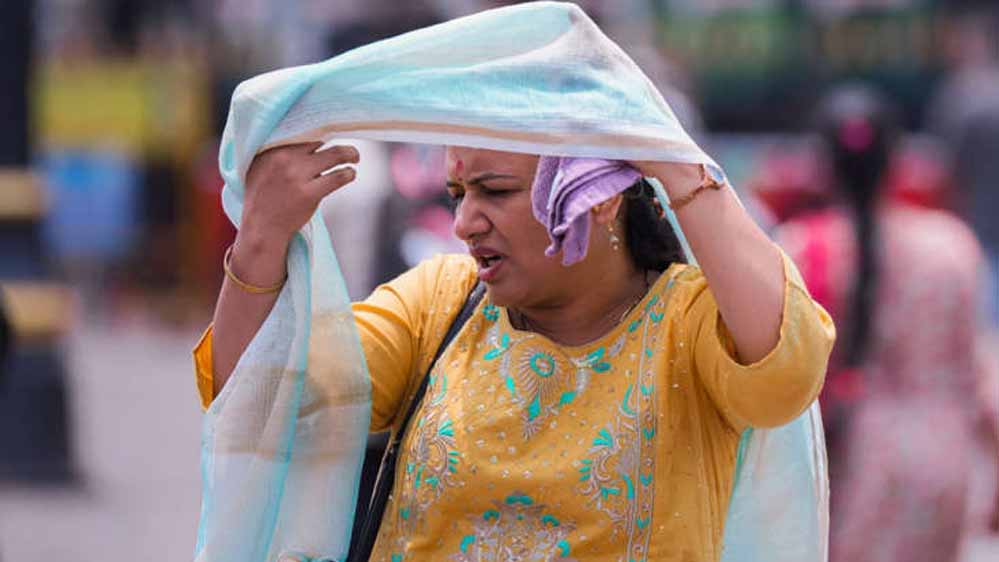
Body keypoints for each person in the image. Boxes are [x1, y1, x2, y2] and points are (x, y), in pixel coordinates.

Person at [773, 85, 999, 562]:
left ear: (823, 166)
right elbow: (980, 377)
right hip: (942, 459)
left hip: (847, 462)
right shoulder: (951, 245)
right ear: (898, 160)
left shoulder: (796, 250)